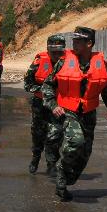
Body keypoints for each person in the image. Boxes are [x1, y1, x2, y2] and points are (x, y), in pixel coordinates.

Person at [41, 26, 107, 202]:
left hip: (88, 114)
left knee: (85, 154)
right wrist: (53, 105)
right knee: (76, 142)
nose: (74, 43)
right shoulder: (63, 62)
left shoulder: (102, 65)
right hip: (68, 112)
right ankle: (61, 169)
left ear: (89, 43)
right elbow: (47, 86)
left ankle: (65, 181)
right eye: (73, 40)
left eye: (78, 40)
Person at [23, 34, 67, 175]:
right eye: (53, 51)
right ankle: (35, 158)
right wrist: (43, 91)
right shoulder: (39, 61)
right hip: (40, 104)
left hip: (59, 105)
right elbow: (27, 84)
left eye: (59, 51)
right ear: (48, 50)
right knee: (38, 134)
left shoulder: (69, 62)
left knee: (55, 134)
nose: (56, 55)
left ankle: (52, 164)